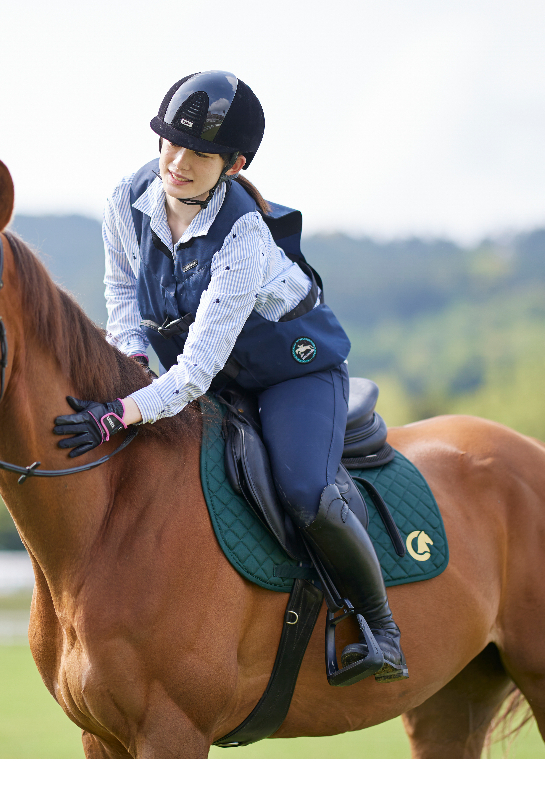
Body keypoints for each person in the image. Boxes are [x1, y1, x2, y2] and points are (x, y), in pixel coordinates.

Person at [52, 70, 408, 684]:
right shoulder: (124, 199)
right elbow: (121, 294)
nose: (178, 162)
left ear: (235, 164)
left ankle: (381, 627)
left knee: (305, 492)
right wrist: (133, 367)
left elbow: (193, 372)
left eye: (200, 153)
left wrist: (121, 411)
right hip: (214, 372)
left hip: (291, 376)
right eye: (169, 142)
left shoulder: (244, 232)